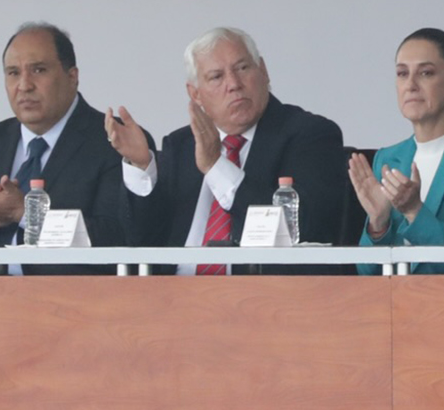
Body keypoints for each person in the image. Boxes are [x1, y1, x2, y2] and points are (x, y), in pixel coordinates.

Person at [111, 27, 351, 274]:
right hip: (176, 293)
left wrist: (216, 167)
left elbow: (305, 227)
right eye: (216, 77)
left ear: (264, 71)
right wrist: (140, 167)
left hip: (261, 293)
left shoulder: (310, 135)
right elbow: (142, 241)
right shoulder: (181, 145)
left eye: (243, 68)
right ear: (195, 94)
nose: (234, 84)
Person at [0, 22, 131, 265]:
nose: (24, 86)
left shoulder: (113, 139)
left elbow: (121, 237)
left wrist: (25, 214)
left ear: (72, 77)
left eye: (39, 70)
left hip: (66, 288)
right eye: (13, 73)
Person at [348, 27, 444, 273]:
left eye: (426, 73)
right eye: (402, 73)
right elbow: (367, 273)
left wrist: (414, 212)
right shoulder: (387, 159)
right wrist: (378, 224)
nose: (410, 85)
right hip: (396, 297)